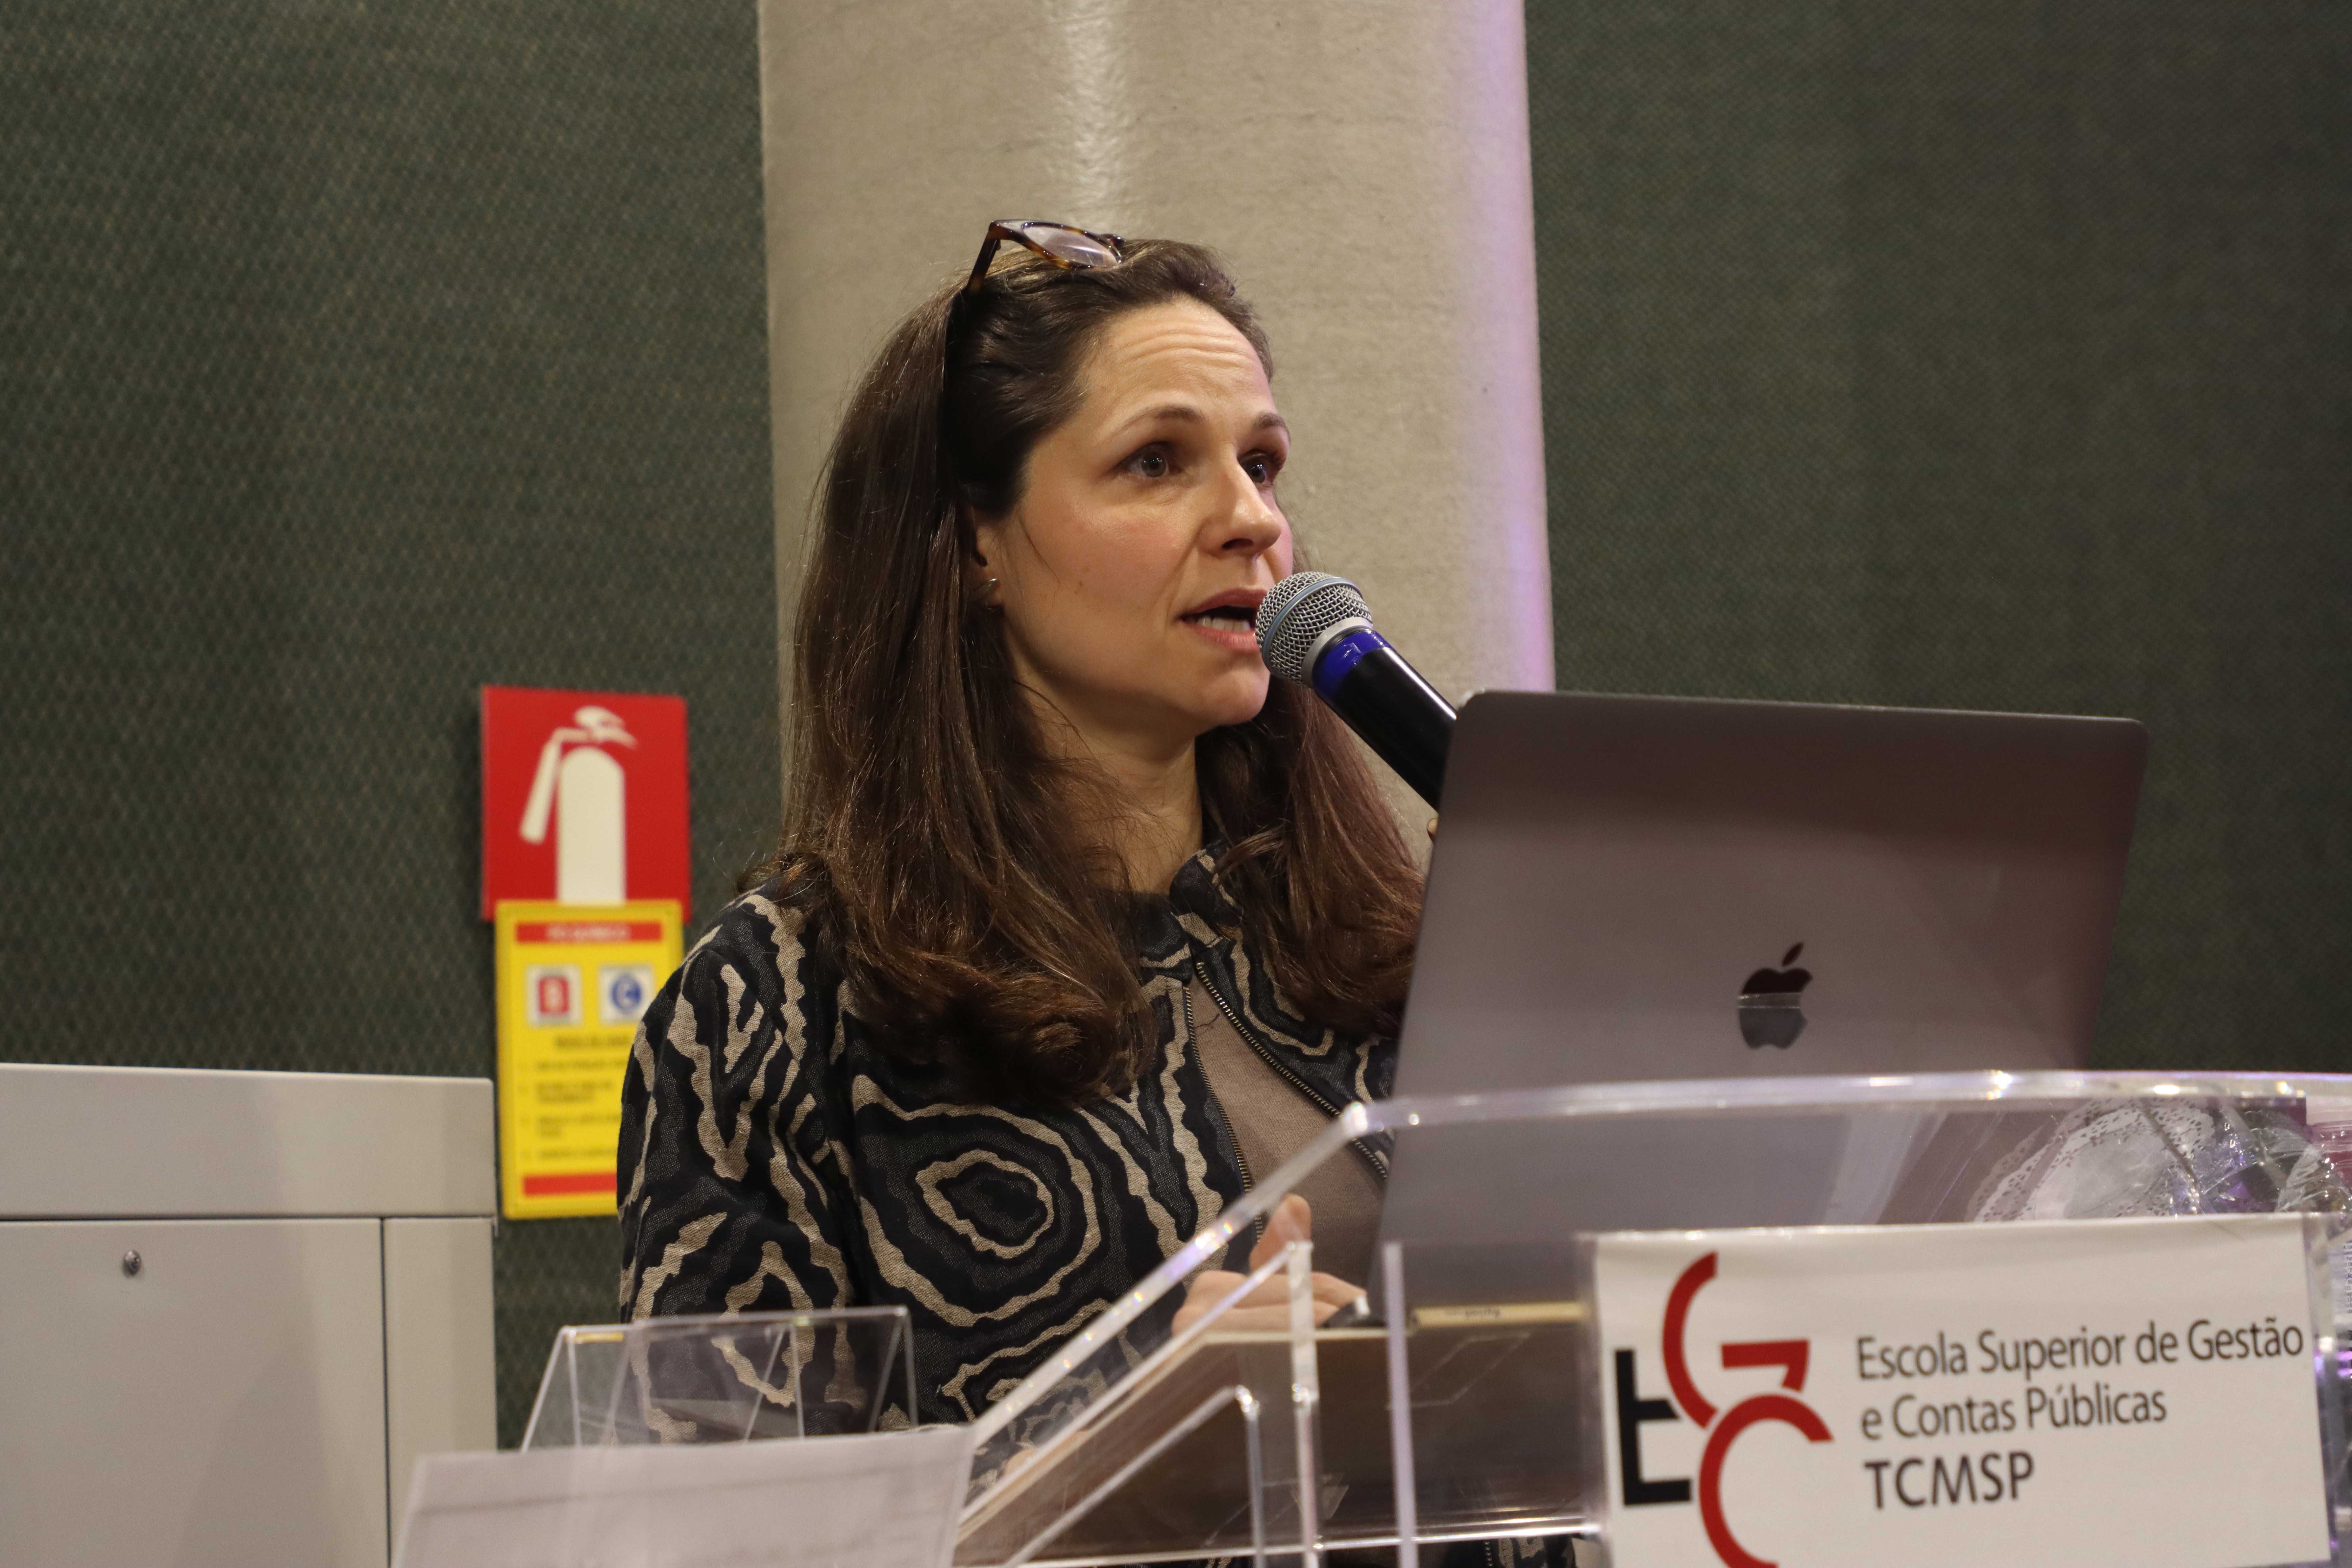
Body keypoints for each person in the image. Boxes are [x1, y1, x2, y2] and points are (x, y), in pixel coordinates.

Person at [616, 223, 1566, 1565]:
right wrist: (1137, 1451)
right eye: (1156, 462)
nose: (1252, 519)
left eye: (1261, 463)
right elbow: (724, 1541)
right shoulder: (776, 1009)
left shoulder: (1389, 943)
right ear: (975, 546)